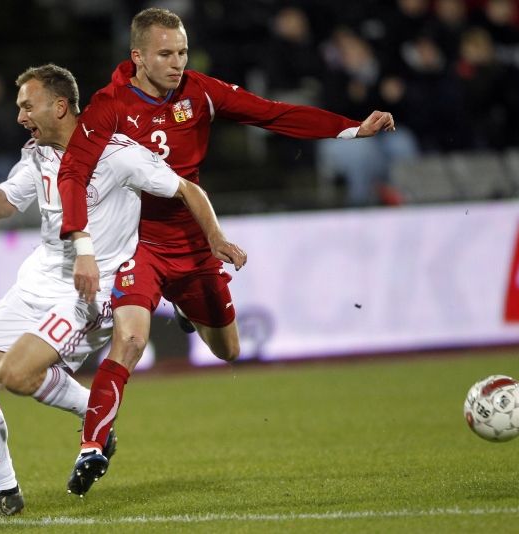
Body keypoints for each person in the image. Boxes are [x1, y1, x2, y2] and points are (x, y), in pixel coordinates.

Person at [57, 7, 393, 496]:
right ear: (137, 57)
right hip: (135, 244)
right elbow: (72, 173)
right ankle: (92, 446)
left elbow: (273, 113)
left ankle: (184, 308)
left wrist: (349, 128)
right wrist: (81, 244)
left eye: (183, 52)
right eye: (166, 54)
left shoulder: (200, 93)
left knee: (227, 349)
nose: (177, 63)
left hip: (193, 243)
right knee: (128, 342)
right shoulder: (108, 107)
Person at [0, 62, 246, 519]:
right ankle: (7, 491)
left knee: (17, 375)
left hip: (87, 291)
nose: (20, 117)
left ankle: (97, 418)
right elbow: (6, 205)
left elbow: (187, 189)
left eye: (26, 106)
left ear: (60, 105)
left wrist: (216, 240)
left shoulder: (118, 153)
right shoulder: (37, 154)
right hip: (35, 280)